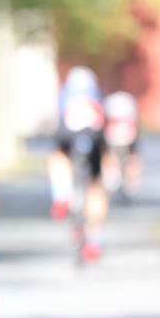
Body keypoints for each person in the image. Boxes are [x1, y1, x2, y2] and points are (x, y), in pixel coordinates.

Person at [48, 66, 108, 261]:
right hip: (95, 134)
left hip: (68, 133)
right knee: (96, 185)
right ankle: (94, 240)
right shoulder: (97, 96)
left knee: (58, 156)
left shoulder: (66, 96)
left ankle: (61, 195)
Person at [102, 90, 143, 199]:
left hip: (117, 136)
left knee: (112, 154)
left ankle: (118, 176)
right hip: (125, 135)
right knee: (132, 156)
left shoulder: (110, 102)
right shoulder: (128, 101)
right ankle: (130, 179)